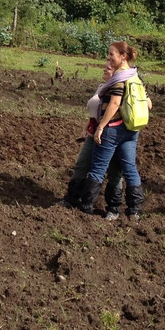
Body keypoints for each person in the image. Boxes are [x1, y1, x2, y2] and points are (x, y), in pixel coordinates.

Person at [81, 41, 146, 219]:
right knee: (129, 168)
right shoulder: (136, 77)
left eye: (112, 54)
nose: (109, 58)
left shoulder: (120, 77)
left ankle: (86, 206)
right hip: (132, 130)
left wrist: (101, 126)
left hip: (113, 130)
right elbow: (147, 104)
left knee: (98, 168)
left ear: (122, 57)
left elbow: (115, 103)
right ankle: (134, 209)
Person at [55, 61, 124, 210]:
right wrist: (87, 126)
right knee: (82, 164)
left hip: (111, 135)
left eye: (109, 67)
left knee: (113, 171)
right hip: (94, 132)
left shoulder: (119, 89)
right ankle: (72, 198)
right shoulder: (102, 87)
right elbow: (96, 110)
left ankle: (113, 207)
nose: (105, 68)